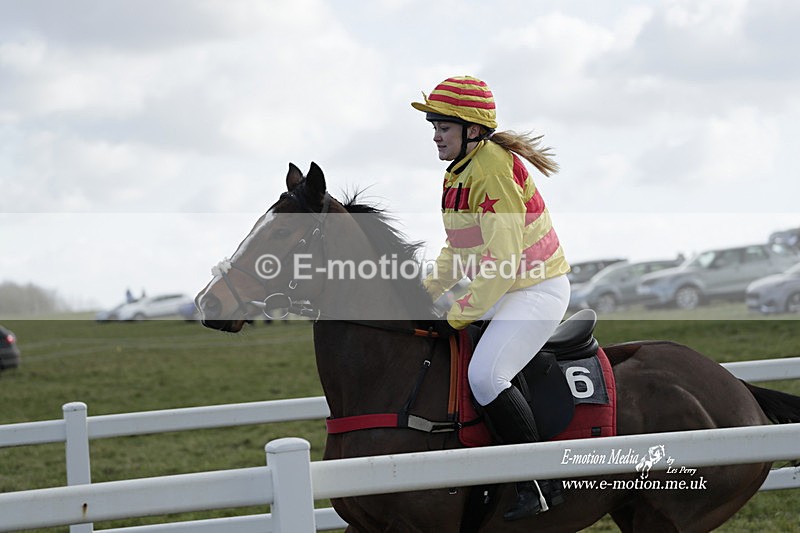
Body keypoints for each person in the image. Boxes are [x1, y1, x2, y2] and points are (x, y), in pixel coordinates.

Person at [413, 76, 571, 520]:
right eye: (433, 126)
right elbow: (456, 248)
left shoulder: (492, 169)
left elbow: (502, 259)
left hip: (535, 290)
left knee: (485, 377)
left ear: (473, 130)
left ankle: (538, 483)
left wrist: (459, 313)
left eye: (443, 126)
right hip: (507, 288)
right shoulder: (458, 172)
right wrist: (425, 292)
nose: (435, 135)